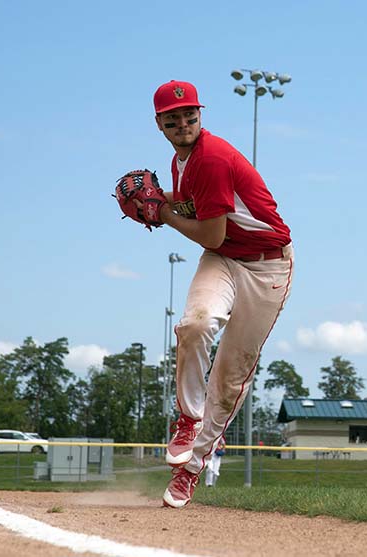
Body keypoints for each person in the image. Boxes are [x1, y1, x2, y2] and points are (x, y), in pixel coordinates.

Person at [148, 80, 294, 508]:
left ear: (200, 115)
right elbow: (204, 218)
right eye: (172, 118)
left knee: (230, 380)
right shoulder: (181, 160)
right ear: (159, 124)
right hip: (223, 258)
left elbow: (210, 231)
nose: (183, 122)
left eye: (189, 114)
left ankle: (192, 470)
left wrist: (163, 214)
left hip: (266, 266)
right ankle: (188, 420)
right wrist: (163, 199)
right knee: (194, 324)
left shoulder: (210, 158)